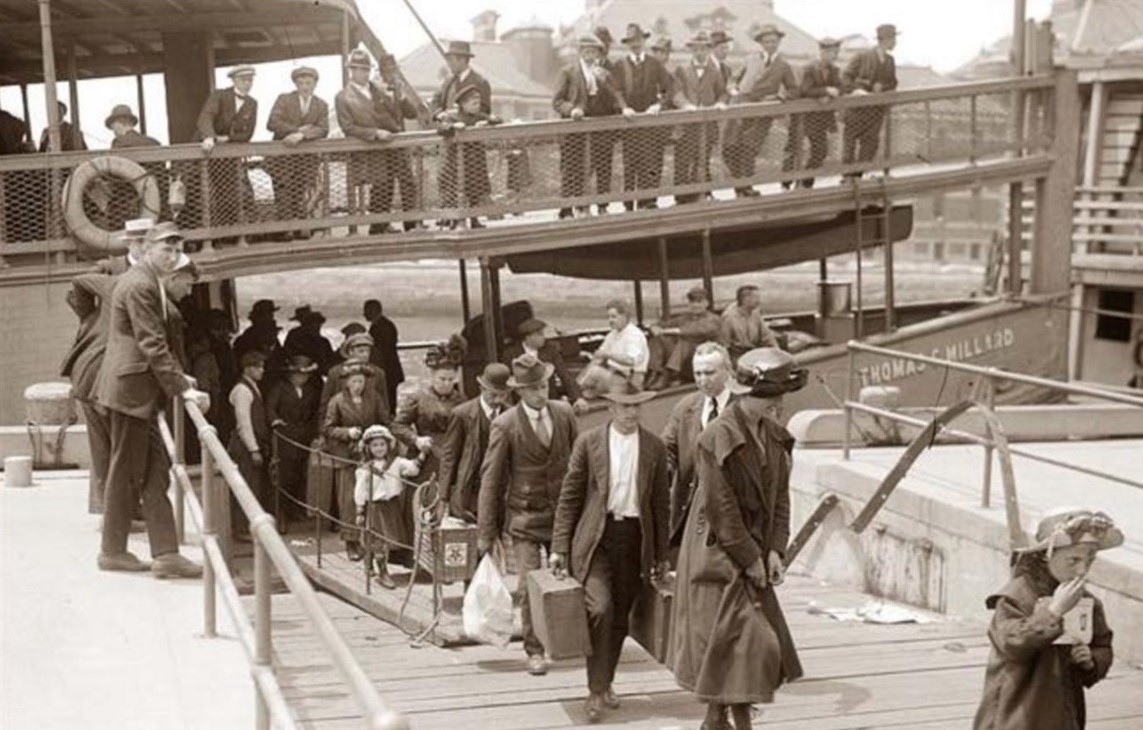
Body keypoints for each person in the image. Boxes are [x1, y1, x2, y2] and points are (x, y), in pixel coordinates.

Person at [669, 347, 807, 730]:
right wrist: (751, 560)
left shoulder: (776, 437)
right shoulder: (717, 436)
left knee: (736, 642)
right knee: (743, 639)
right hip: (716, 553)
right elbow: (721, 508)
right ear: (755, 395)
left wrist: (777, 549)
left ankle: (717, 719)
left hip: (755, 549)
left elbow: (780, 497)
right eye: (774, 396)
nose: (780, 403)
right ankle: (734, 719)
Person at [550, 378, 670, 722]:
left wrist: (661, 555)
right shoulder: (589, 443)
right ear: (610, 407)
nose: (631, 412)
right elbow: (570, 497)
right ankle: (594, 690)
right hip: (596, 539)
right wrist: (559, 547)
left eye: (636, 406)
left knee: (620, 617)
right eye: (625, 406)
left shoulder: (654, 447)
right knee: (600, 608)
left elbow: (662, 505)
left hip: (635, 539)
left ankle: (605, 683)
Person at [95, 222, 207, 578]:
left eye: (176, 251)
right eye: (166, 250)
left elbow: (154, 345)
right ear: (146, 249)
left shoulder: (147, 281)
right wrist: (182, 387)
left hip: (138, 390)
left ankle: (166, 554)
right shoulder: (141, 284)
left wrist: (177, 379)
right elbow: (151, 343)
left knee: (154, 472)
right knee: (125, 473)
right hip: (131, 392)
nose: (172, 257)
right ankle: (113, 551)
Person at [973, 508, 1122, 730]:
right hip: (1016, 712)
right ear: (1047, 555)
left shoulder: (1085, 601)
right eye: (1073, 560)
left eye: (1089, 560)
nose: (1082, 570)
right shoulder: (1017, 596)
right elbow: (1010, 644)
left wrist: (1090, 661)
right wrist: (1053, 612)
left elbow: (1102, 645)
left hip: (1062, 712)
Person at [478, 353, 579, 676]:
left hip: (562, 518)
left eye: (545, 385)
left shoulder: (564, 414)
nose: (541, 393)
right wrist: (485, 532)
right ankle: (534, 650)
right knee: (527, 584)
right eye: (533, 388)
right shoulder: (505, 424)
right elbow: (491, 481)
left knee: (569, 579)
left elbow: (579, 468)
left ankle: (566, 641)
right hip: (524, 518)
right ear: (520, 391)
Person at [662, 342, 736, 535]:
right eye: (698, 374)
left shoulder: (742, 409)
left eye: (710, 373)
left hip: (731, 514)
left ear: (728, 371)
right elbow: (667, 449)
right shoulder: (685, 407)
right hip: (688, 512)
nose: (703, 380)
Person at [335, 49, 408, 236]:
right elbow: (348, 127)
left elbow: (392, 113)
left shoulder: (377, 90)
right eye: (359, 69)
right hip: (367, 148)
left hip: (387, 146)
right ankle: (376, 225)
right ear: (351, 71)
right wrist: (374, 133)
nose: (363, 73)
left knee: (387, 185)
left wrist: (397, 98)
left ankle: (380, 225)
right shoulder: (343, 97)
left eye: (366, 69)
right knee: (380, 184)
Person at [553, 34, 625, 219]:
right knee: (573, 168)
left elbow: (615, 97)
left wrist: (624, 108)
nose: (590, 54)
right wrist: (572, 110)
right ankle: (570, 208)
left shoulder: (604, 74)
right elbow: (558, 101)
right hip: (576, 128)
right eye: (586, 50)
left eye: (593, 51)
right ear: (580, 52)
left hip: (601, 128)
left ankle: (602, 206)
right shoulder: (568, 72)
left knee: (603, 167)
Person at [722, 24, 799, 197]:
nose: (770, 44)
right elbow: (733, 79)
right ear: (761, 43)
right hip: (740, 107)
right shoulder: (750, 59)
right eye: (766, 41)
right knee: (729, 147)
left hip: (762, 112)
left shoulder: (783, 65)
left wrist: (778, 98)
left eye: (773, 41)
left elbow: (794, 89)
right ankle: (739, 185)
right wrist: (733, 90)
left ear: (779, 42)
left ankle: (746, 186)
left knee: (749, 147)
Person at [323, 364, 389, 561]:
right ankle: (351, 542)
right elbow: (327, 428)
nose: (358, 385)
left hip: (370, 455)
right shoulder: (337, 401)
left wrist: (377, 435)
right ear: (346, 383)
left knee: (373, 497)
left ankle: (372, 541)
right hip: (347, 456)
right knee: (349, 500)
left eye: (361, 381)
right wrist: (347, 433)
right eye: (354, 381)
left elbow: (385, 420)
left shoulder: (374, 398)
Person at [437, 363, 512, 522]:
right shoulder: (462, 414)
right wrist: (443, 496)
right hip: (470, 489)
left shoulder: (510, 415)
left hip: (501, 489)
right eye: (493, 395)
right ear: (482, 389)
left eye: (503, 395)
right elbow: (449, 456)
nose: (498, 400)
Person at [354, 425, 427, 589]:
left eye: (382, 444)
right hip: (374, 507)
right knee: (377, 540)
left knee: (387, 539)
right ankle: (382, 572)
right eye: (374, 445)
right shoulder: (364, 469)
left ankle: (371, 561)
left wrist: (423, 454)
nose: (379, 448)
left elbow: (413, 469)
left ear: (388, 445)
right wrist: (359, 510)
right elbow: (360, 490)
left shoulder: (396, 463)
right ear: (368, 447)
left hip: (391, 506)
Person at [266, 66, 329, 240]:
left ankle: (300, 227)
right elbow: (272, 122)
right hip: (282, 159)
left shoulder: (321, 105)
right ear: (295, 84)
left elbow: (323, 129)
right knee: (283, 193)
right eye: (300, 83)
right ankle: (286, 230)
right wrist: (295, 130)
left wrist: (301, 135)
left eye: (308, 83)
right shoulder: (284, 100)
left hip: (305, 160)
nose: (305, 87)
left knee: (300, 193)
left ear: (315, 84)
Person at [615, 23, 673, 211]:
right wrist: (624, 108)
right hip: (630, 123)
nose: (635, 44)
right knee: (630, 163)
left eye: (638, 40)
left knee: (650, 161)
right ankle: (629, 203)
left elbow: (668, 89)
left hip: (649, 124)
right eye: (631, 41)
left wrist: (659, 105)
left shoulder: (654, 64)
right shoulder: (620, 65)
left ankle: (647, 202)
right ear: (627, 44)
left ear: (644, 41)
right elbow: (615, 91)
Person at [391, 338, 467, 481]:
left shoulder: (462, 400)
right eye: (442, 379)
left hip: (454, 455)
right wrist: (415, 439)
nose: (446, 383)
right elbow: (397, 426)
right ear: (432, 376)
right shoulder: (418, 398)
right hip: (426, 456)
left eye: (451, 379)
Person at [196, 66, 258, 230]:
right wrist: (210, 137)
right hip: (206, 151)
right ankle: (201, 232)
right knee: (199, 191)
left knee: (230, 193)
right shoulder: (219, 95)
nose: (247, 84)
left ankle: (226, 231)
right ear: (234, 80)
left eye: (250, 80)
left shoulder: (252, 103)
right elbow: (205, 117)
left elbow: (248, 134)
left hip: (229, 156)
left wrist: (229, 139)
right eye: (243, 80)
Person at [673, 31, 729, 205]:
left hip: (707, 124)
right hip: (687, 125)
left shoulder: (715, 71)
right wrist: (685, 105)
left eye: (703, 49)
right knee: (682, 160)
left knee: (703, 160)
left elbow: (723, 93)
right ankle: (681, 198)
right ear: (691, 50)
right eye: (696, 49)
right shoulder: (681, 69)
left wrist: (720, 103)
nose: (700, 53)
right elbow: (676, 92)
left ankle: (703, 194)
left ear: (708, 50)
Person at [437, 85, 502, 230]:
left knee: (475, 191)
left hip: (475, 161)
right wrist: (454, 127)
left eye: (478, 103)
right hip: (458, 162)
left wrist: (487, 122)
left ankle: (474, 219)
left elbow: (498, 119)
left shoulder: (479, 116)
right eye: (473, 103)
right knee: (456, 191)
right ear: (463, 104)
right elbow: (441, 128)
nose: (477, 106)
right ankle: (456, 220)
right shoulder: (452, 116)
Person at [267, 354, 321, 524]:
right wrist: (275, 420)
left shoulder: (310, 391)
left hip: (304, 436)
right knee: (284, 475)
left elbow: (315, 413)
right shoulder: (279, 388)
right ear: (290, 374)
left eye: (305, 375)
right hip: (285, 437)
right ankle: (281, 513)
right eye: (299, 374)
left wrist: (316, 432)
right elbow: (270, 408)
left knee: (300, 474)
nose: (302, 378)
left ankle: (296, 509)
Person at [842, 24, 899, 179]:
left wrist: (882, 88)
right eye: (894, 38)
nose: (895, 42)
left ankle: (856, 177)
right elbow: (845, 77)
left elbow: (893, 83)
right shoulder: (863, 56)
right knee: (850, 145)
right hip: (856, 111)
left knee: (870, 147)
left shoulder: (890, 60)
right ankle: (847, 179)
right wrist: (856, 90)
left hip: (875, 113)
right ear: (886, 40)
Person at [376, 53, 424, 232]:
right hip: (382, 144)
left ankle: (410, 223)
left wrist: (402, 97)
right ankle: (379, 225)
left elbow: (411, 113)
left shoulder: (397, 89)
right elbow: (377, 116)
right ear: (381, 72)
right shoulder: (375, 88)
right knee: (382, 185)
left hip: (398, 145)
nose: (391, 73)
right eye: (388, 70)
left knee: (407, 183)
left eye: (394, 70)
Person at [228, 349, 271, 541]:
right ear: (248, 369)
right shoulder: (243, 390)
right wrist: (253, 448)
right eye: (258, 367)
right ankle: (241, 529)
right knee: (246, 485)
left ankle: (246, 526)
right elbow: (243, 423)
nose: (262, 371)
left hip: (251, 444)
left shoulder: (252, 387)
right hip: (244, 447)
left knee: (253, 485)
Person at [645, 286, 724, 390]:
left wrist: (666, 331)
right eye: (692, 302)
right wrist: (654, 327)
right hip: (684, 362)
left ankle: (668, 375)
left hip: (705, 359)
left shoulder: (713, 319)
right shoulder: (685, 317)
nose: (695, 305)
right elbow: (663, 324)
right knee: (658, 339)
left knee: (686, 341)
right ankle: (654, 372)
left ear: (706, 303)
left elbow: (694, 331)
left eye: (699, 302)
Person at [502, 318, 587, 412]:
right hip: (522, 402)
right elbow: (507, 382)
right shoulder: (511, 354)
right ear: (528, 337)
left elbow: (564, 374)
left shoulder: (550, 350)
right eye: (539, 335)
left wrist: (578, 397)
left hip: (548, 399)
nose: (543, 337)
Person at [793, 38, 843, 190]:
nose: (834, 56)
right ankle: (799, 183)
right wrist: (825, 91)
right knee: (804, 149)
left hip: (823, 119)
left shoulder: (835, 70)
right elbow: (804, 90)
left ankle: (805, 182)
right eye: (831, 52)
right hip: (807, 118)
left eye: (836, 52)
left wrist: (832, 93)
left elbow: (842, 87)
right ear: (822, 52)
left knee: (820, 151)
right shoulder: (809, 69)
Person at [320, 332, 391, 423]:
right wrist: (323, 431)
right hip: (341, 426)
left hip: (370, 426)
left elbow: (385, 405)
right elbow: (325, 404)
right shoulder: (335, 373)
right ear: (350, 352)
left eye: (368, 351)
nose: (365, 355)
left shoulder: (378, 373)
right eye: (361, 351)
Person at [592, 299, 649, 388]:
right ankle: (574, 394)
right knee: (591, 369)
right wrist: (594, 356)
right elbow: (600, 354)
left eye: (614, 317)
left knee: (595, 372)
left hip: (631, 380)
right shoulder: (612, 335)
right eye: (608, 317)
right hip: (613, 374)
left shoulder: (634, 335)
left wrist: (608, 355)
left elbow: (630, 360)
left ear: (625, 316)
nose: (610, 320)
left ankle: (574, 394)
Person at [430, 40, 492, 121]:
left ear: (462, 60)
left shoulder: (480, 83)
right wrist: (439, 114)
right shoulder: (448, 82)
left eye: (451, 60)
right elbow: (435, 101)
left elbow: (484, 114)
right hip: (447, 131)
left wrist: (456, 116)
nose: (449, 64)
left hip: (469, 132)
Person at [232, 299, 286, 388]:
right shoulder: (247, 338)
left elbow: (280, 355)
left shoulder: (270, 336)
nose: (272, 317)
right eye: (269, 314)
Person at [363, 299, 404, 408]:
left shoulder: (380, 327)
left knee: (387, 402)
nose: (364, 314)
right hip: (389, 370)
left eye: (366, 311)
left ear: (374, 311)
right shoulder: (385, 325)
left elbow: (382, 350)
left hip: (387, 370)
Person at [721, 284, 780, 360]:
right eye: (756, 298)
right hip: (738, 356)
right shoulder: (728, 317)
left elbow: (767, 336)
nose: (759, 301)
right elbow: (725, 344)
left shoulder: (755, 312)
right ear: (745, 299)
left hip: (755, 351)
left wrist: (777, 351)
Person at [283, 305, 336, 376]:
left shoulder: (323, 342)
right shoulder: (295, 335)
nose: (316, 327)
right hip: (301, 373)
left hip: (302, 374)